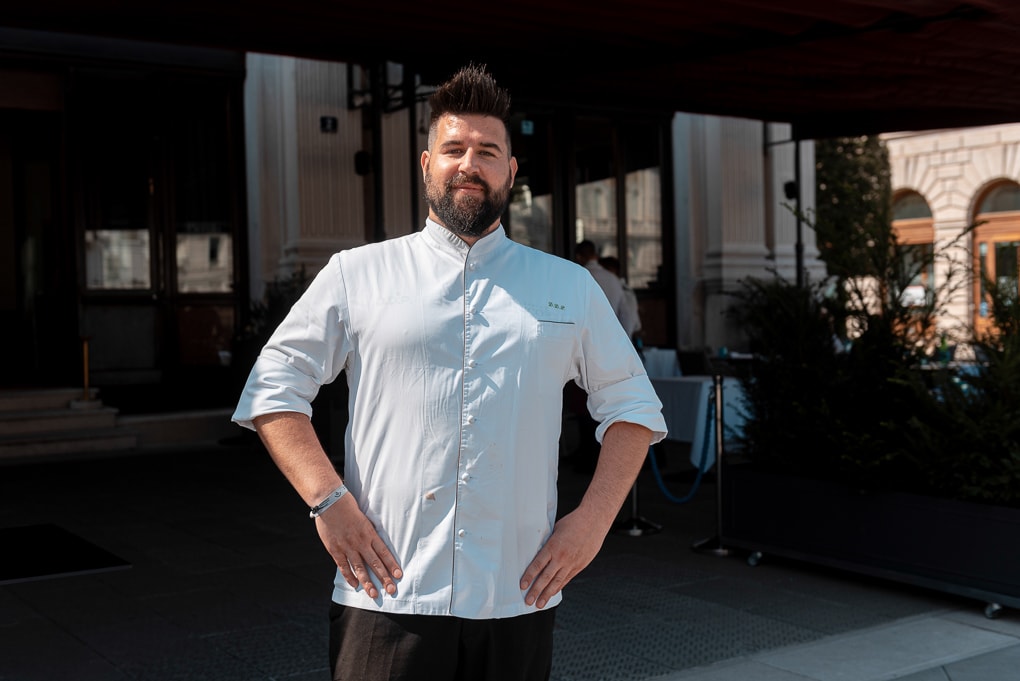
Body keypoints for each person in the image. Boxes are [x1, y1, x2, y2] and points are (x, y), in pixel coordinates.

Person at [232, 64, 667, 681]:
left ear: (512, 171)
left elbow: (633, 408)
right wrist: (329, 503)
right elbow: (273, 388)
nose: (470, 163)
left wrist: (593, 522)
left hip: (517, 593)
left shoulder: (567, 286)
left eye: (488, 151)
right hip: (386, 594)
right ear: (425, 163)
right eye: (453, 149)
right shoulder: (358, 273)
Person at [598, 255, 642, 343]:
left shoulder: (624, 290)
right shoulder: (617, 287)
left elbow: (630, 319)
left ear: (611, 270)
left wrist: (624, 342)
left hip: (619, 340)